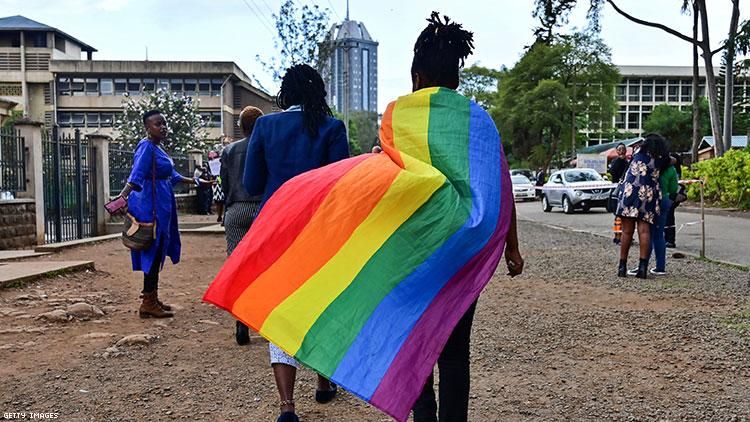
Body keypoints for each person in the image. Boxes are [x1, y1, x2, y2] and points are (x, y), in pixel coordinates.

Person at [401, 13, 525, 422]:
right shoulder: (479, 121)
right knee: (455, 351)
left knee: (415, 340)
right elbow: (499, 186)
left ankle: (423, 415)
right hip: (461, 254)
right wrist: (511, 247)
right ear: (456, 75)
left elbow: (386, 183)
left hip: (412, 253)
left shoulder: (400, 116)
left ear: (417, 75)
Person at [243, 64, 349, 422]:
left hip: (275, 230)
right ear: (317, 94)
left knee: (281, 311)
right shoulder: (333, 128)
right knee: (320, 306)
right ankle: (323, 382)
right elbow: (341, 188)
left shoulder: (264, 126)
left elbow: (252, 182)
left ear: (285, 94)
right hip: (319, 233)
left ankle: (287, 406)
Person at [118, 110, 213, 318]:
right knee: (152, 249)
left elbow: (173, 175)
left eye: (164, 123)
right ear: (147, 128)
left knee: (159, 248)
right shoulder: (146, 147)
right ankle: (148, 302)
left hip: (161, 204)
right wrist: (122, 197)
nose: (163, 127)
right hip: (149, 205)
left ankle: (151, 297)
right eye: (157, 124)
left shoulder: (157, 148)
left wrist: (197, 182)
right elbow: (136, 175)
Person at [220, 106, 264, 346]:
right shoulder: (267, 148)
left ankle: (240, 322)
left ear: (241, 126)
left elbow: (224, 184)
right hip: (261, 209)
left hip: (236, 209)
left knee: (237, 266)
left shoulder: (229, 150)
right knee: (264, 265)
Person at [615, 133, 670, 279]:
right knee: (644, 231)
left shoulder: (638, 151)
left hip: (630, 191)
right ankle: (642, 268)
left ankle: (622, 266)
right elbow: (672, 162)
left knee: (627, 231)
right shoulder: (662, 158)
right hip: (648, 194)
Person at [629, 155, 678, 276]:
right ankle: (660, 266)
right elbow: (674, 188)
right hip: (665, 199)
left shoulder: (650, 165)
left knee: (647, 233)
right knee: (659, 234)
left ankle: (643, 264)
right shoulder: (671, 169)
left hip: (650, 200)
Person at [608, 143, 629, 245]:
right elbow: (612, 172)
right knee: (618, 214)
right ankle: (617, 237)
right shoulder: (615, 161)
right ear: (616, 151)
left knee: (626, 215)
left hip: (626, 190)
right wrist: (619, 160)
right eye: (619, 149)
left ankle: (624, 236)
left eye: (623, 149)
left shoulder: (628, 162)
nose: (621, 151)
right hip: (617, 191)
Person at [665, 153, 683, 248]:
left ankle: (670, 240)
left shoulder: (674, 171)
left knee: (669, 217)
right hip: (669, 195)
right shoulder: (672, 170)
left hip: (672, 196)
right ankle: (667, 239)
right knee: (667, 217)